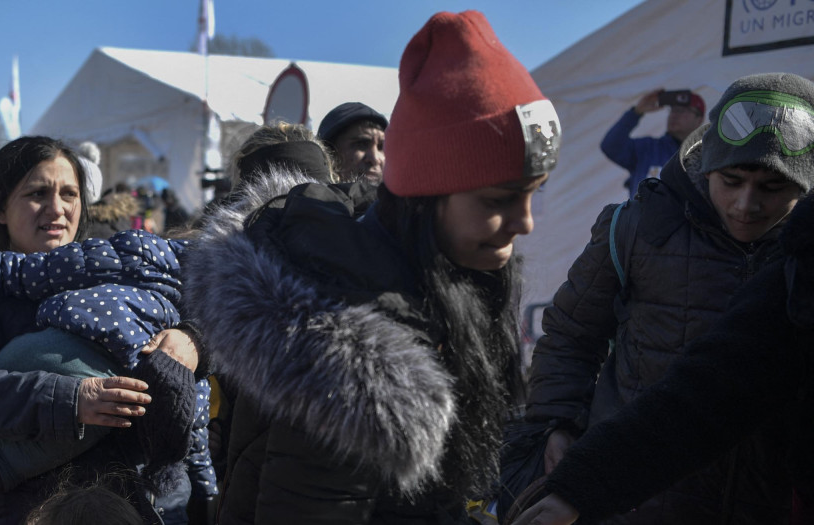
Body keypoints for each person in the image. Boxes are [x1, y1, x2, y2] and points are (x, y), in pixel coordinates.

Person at [182, 10, 559, 524]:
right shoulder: (352, 353)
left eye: (534, 195)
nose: (526, 222)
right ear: (427, 196)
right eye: (499, 198)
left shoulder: (443, 283)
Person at [524, 72, 812, 525]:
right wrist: (558, 422)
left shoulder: (804, 257)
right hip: (634, 500)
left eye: (773, 189)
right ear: (707, 166)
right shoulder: (637, 225)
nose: (745, 204)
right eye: (731, 180)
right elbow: (571, 335)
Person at [0, 136, 202, 524]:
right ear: (1, 208)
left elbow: (217, 318)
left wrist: (192, 340)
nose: (57, 209)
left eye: (69, 194)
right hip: (32, 503)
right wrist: (71, 401)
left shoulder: (109, 267)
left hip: (141, 495)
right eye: (37, 193)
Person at [601, 88, 705, 197]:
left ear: (699, 119)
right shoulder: (648, 148)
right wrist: (636, 112)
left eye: (682, 110)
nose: (674, 115)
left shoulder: (704, 157)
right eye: (673, 110)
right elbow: (611, 146)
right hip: (641, 213)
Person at [316, 101, 387, 186]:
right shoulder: (306, 197)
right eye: (361, 145)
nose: (375, 159)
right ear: (329, 153)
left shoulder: (401, 197)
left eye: (381, 147)